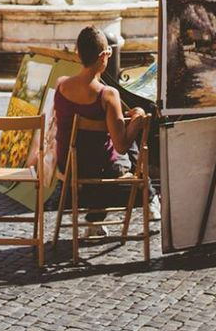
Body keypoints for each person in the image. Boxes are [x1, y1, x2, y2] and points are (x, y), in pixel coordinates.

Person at [54, 25, 148, 234]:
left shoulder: (60, 85)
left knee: (108, 140)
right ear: (105, 55)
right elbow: (121, 146)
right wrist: (138, 120)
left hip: (68, 166)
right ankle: (150, 198)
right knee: (129, 143)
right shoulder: (108, 95)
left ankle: (96, 220)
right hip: (99, 170)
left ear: (78, 53)